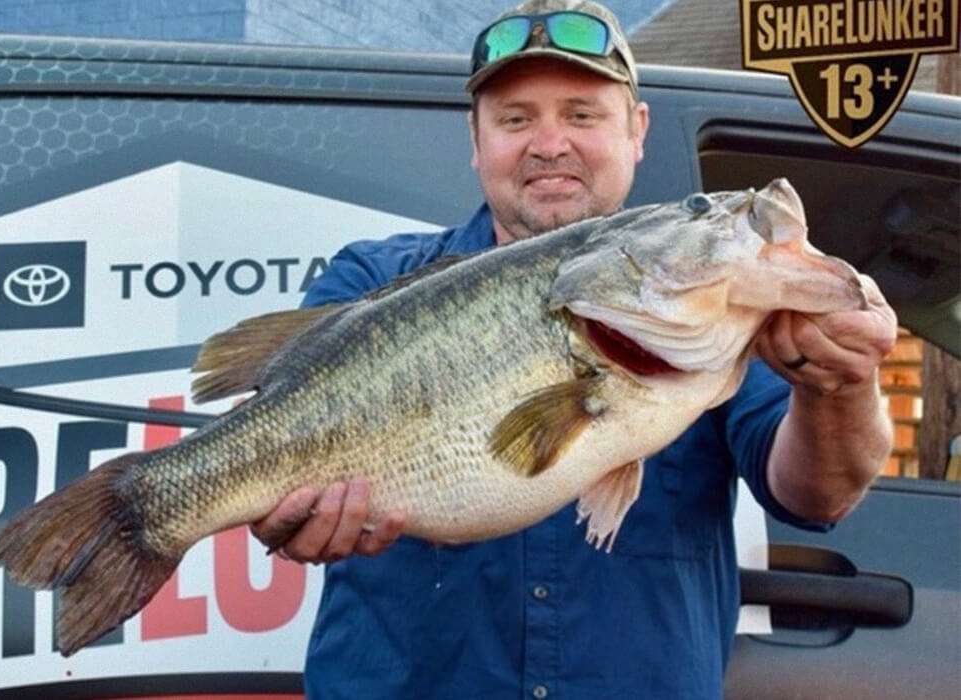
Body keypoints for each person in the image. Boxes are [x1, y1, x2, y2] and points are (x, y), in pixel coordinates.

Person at [251, 1, 897, 697]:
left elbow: (818, 492)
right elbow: (273, 462)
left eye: (582, 115)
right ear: (476, 140)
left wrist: (841, 385)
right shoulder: (371, 285)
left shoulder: (726, 321)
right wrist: (280, 511)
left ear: (636, 130)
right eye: (516, 118)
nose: (549, 143)